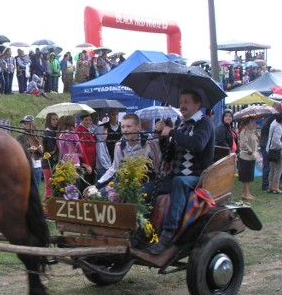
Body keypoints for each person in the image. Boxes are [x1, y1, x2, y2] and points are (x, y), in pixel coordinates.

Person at [146, 89, 215, 255]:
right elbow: (169, 156)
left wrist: (172, 132)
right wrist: (162, 137)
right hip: (175, 175)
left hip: (196, 177)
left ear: (197, 104)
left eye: (186, 102)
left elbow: (197, 145)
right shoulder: (182, 124)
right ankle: (143, 231)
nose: (182, 105)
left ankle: (168, 234)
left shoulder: (204, 123)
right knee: (145, 191)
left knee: (179, 182)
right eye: (181, 101)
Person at [89, 113, 162, 193]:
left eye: (128, 126)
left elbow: (158, 166)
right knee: (104, 193)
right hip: (127, 181)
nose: (125, 130)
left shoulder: (149, 143)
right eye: (123, 127)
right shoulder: (119, 145)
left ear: (138, 127)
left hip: (147, 182)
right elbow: (114, 169)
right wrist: (97, 185)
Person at [258, 101, 282, 191]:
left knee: (270, 167)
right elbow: (274, 137)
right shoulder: (273, 119)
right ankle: (269, 185)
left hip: (267, 145)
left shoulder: (268, 118)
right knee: (272, 168)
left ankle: (270, 186)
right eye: (279, 108)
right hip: (269, 145)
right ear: (276, 108)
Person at [17, 115, 43, 188]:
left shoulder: (37, 137)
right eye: (24, 124)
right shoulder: (21, 137)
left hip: (37, 166)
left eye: (27, 123)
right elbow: (18, 151)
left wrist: (40, 150)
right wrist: (28, 150)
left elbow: (41, 155)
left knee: (36, 190)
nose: (24, 125)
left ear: (32, 124)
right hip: (27, 166)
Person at [41, 112, 59, 216]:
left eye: (57, 119)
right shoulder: (48, 133)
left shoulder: (53, 131)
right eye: (53, 119)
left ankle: (50, 210)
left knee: (51, 187)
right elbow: (51, 150)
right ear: (49, 120)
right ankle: (46, 211)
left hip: (51, 162)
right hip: (48, 162)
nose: (56, 121)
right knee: (48, 188)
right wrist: (57, 145)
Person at [237, 116, 258, 200]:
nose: (255, 124)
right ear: (248, 123)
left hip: (251, 157)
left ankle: (247, 193)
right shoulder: (244, 131)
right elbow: (243, 144)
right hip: (246, 157)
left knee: (249, 176)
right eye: (253, 122)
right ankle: (245, 194)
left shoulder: (252, 132)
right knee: (245, 177)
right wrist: (250, 151)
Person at [265, 113, 282, 194]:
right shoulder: (278, 127)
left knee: (272, 170)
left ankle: (270, 187)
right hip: (276, 150)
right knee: (278, 170)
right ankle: (276, 187)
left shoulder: (273, 122)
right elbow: (276, 141)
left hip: (270, 149)